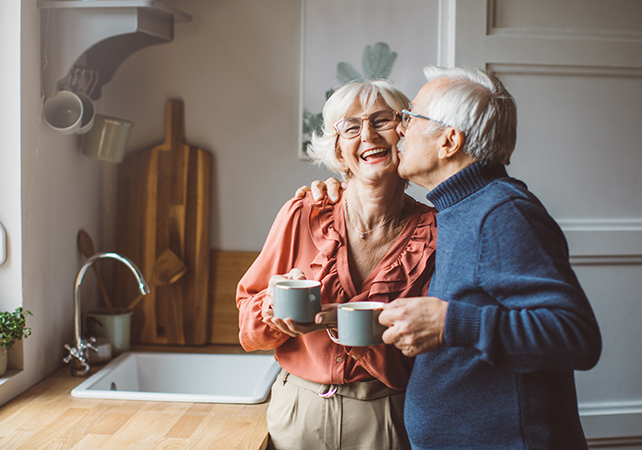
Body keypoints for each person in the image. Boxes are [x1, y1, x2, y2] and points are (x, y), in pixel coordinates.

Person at [302, 66, 602, 449]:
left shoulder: (502, 213)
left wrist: (448, 323)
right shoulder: (461, 209)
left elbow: (576, 336)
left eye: (410, 117)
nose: (400, 128)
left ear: (449, 142)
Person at [236, 78, 437, 450]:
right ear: (339, 151)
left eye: (381, 121)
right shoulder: (302, 212)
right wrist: (271, 310)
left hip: (389, 417)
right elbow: (247, 325)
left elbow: (436, 350)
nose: (368, 136)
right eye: (351, 127)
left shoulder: (437, 232)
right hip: (298, 412)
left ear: (405, 134)